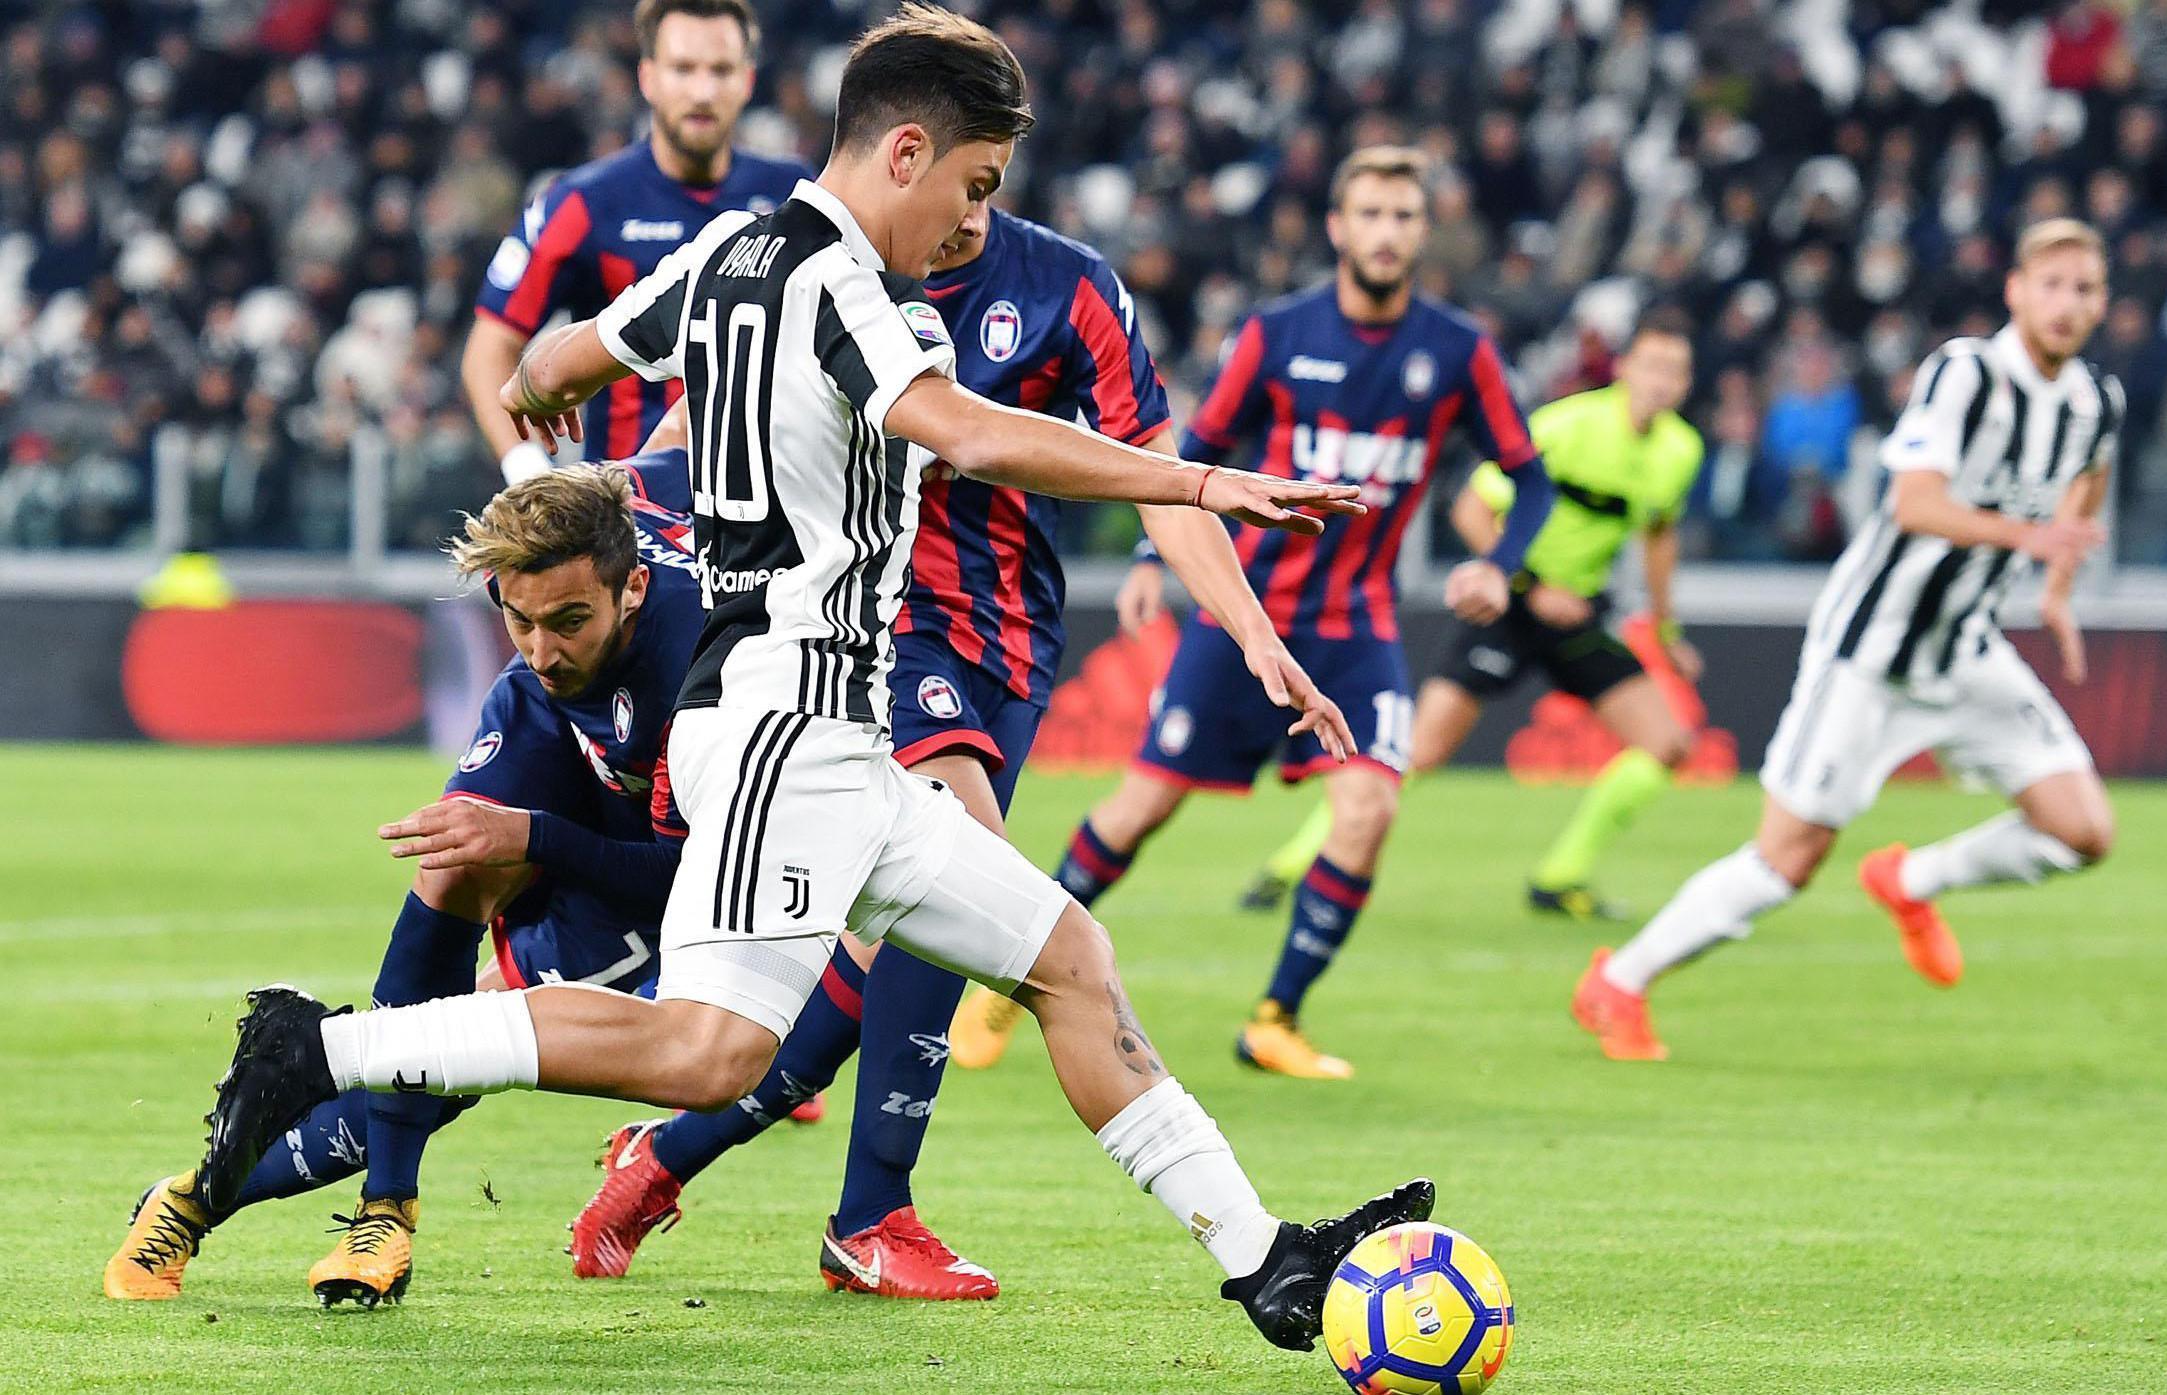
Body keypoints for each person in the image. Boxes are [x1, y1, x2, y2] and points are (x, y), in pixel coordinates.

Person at [187, 6, 1429, 1355]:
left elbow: (558, 357)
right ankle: (321, 1051)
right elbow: (958, 427)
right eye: (970, 183)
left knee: (1071, 959)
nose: (971, 220)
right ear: (904, 150)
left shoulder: (728, 249)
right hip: (785, 718)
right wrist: (1193, 478)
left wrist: (550, 428)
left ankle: (1268, 1264)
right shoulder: (839, 281)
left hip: (839, 731)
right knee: (708, 1051)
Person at [563, 196, 1353, 1299]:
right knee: (978, 900)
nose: (966, 206)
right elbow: (708, 426)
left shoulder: (1068, 287)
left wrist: (1256, 641)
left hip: (1010, 642)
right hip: (869, 636)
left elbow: (1155, 472)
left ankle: (676, 1155)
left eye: (987, 182)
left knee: (905, 933)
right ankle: (872, 1212)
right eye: (958, 177)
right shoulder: (824, 263)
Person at [949, 145, 1554, 1083]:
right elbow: (1186, 449)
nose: (1387, 232)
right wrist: (1157, 552)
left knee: (1368, 808)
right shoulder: (1277, 335)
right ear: (1338, 227)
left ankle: (1275, 1018)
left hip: (1359, 626)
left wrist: (1500, 564)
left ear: (1423, 232)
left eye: (1404, 216)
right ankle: (1000, 989)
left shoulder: (1458, 350)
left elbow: (1530, 476)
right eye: (1371, 214)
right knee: (1141, 807)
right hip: (1243, 618)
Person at [107, 445, 702, 1304]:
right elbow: (663, 433)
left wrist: (532, 833)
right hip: (575, 754)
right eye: (517, 618)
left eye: (567, 620)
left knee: (475, 1045)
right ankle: (385, 1208)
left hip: (656, 853)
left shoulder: (708, 666)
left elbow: (690, 881)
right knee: (452, 859)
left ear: (632, 589)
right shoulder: (596, 560)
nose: (539, 647)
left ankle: (195, 1198)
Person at [1571, 218, 2119, 1062]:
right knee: (1786, 859)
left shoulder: (2093, 402)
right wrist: (2028, 538)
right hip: (1871, 647)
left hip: (1963, 647)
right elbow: (1914, 504)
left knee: (2083, 830)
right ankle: (1622, 979)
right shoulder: (1966, 372)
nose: (2066, 303)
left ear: (2101, 303)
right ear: (2015, 290)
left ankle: (1910, 879)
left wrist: (2057, 589)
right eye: (2050, 283)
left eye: (2084, 288)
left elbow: (2091, 474)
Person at [1235, 314, 1708, 922]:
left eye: (1676, 371)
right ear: (1624, 369)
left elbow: (1659, 537)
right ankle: (1289, 867)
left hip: (1578, 616)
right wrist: (1529, 588)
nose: (1662, 381)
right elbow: (1473, 507)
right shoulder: (1567, 425)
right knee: (1416, 752)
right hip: (1509, 605)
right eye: (1652, 365)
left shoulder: (1681, 451)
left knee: (1667, 742)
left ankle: (1561, 877)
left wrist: (1667, 632)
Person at [464, 0, 807, 483]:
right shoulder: (585, 202)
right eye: (683, 69)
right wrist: (528, 472)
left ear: (748, 80)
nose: (703, 91)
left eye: (721, 70)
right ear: (647, 76)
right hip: (631, 518)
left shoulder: (796, 195)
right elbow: (490, 346)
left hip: (775, 510)